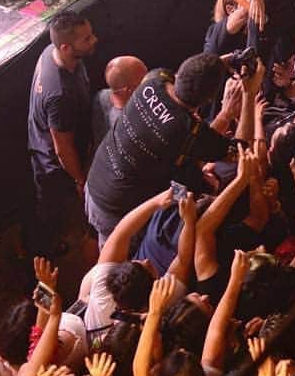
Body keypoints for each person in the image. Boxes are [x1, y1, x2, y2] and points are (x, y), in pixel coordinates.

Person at [84, 53, 232, 245]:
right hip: (115, 210)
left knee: (192, 184)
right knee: (117, 265)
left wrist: (217, 64)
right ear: (208, 100)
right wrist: (230, 110)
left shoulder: (153, 80)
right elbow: (236, 153)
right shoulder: (186, 129)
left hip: (96, 181)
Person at [26, 11, 97, 257]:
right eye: (86, 39)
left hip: (53, 150)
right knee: (50, 211)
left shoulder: (52, 52)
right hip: (53, 167)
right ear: (66, 47)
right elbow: (62, 148)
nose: (94, 40)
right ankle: (42, 253)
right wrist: (80, 180)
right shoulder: (60, 95)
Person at [90, 55, 148, 154]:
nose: (149, 82)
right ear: (128, 90)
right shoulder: (130, 126)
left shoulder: (100, 96)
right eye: (144, 81)